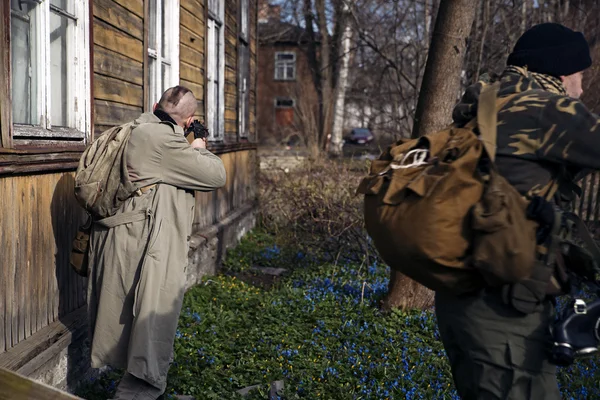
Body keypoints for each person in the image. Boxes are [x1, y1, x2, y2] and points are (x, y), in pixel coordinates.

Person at [435, 22, 600, 399]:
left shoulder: (485, 104)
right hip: (503, 312)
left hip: (459, 303)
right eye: (580, 73)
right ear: (561, 71)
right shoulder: (547, 110)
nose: (583, 85)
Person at [86, 86, 226, 400]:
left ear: (153, 105)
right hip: (147, 245)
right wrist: (199, 143)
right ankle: (138, 390)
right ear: (189, 119)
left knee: (133, 314)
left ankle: (139, 383)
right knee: (152, 315)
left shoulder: (138, 129)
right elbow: (215, 176)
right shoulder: (164, 141)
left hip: (126, 239)